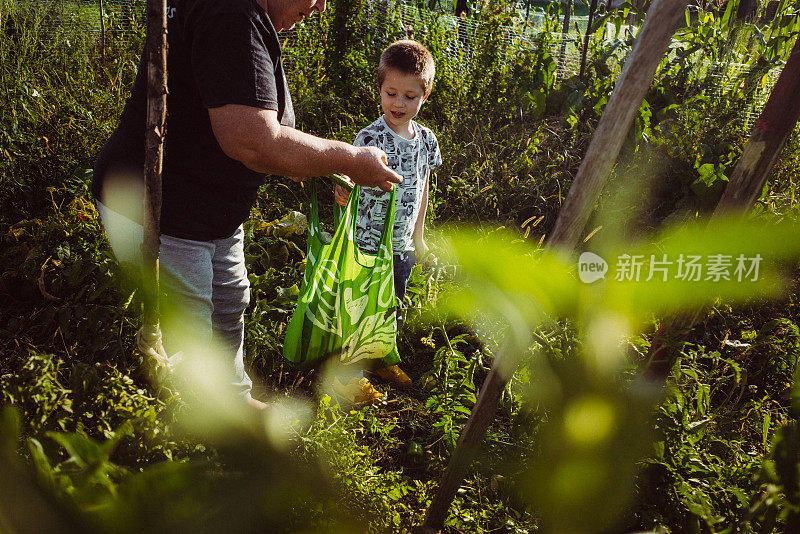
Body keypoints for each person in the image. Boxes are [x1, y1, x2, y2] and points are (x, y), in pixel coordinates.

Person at [91, 0, 402, 410]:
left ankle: (233, 404)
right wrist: (347, 158)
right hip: (164, 214)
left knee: (229, 301)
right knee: (191, 338)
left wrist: (308, 163)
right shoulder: (229, 13)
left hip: (204, 211)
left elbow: (243, 123)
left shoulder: (243, 15)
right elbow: (251, 139)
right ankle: (195, 437)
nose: (322, 5)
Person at [333, 40, 441, 403]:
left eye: (410, 97)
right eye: (391, 93)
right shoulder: (369, 137)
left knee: (390, 304)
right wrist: (344, 191)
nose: (398, 104)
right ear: (379, 89)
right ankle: (348, 377)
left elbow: (423, 187)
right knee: (361, 306)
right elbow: (348, 181)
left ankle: (380, 360)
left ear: (424, 96)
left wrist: (419, 238)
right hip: (367, 241)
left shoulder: (426, 141)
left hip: (402, 245)